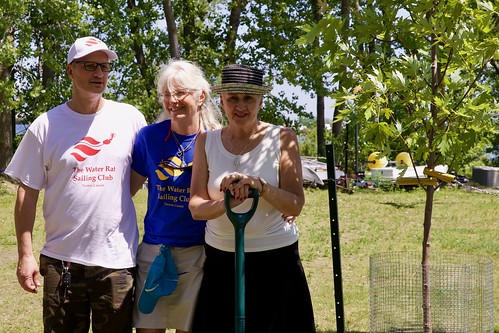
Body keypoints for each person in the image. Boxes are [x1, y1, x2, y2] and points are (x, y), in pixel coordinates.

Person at [4, 36, 147, 333]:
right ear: (71, 71)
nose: (99, 74)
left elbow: (137, 176)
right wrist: (26, 255)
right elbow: (27, 193)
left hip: (117, 262)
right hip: (62, 262)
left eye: (105, 67)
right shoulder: (45, 125)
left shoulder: (130, 118)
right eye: (90, 66)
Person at [188, 64, 316, 332]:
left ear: (260, 100)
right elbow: (196, 207)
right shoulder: (205, 141)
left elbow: (296, 204)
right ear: (221, 101)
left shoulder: (283, 138)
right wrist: (227, 203)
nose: (240, 106)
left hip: (276, 258)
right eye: (232, 98)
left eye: (248, 98)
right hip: (222, 258)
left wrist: (262, 187)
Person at [130, 59, 222, 333]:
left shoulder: (216, 141)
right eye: (167, 94)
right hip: (154, 252)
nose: (172, 100)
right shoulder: (148, 138)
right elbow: (127, 191)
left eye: (180, 93)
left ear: (201, 96)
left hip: (199, 254)